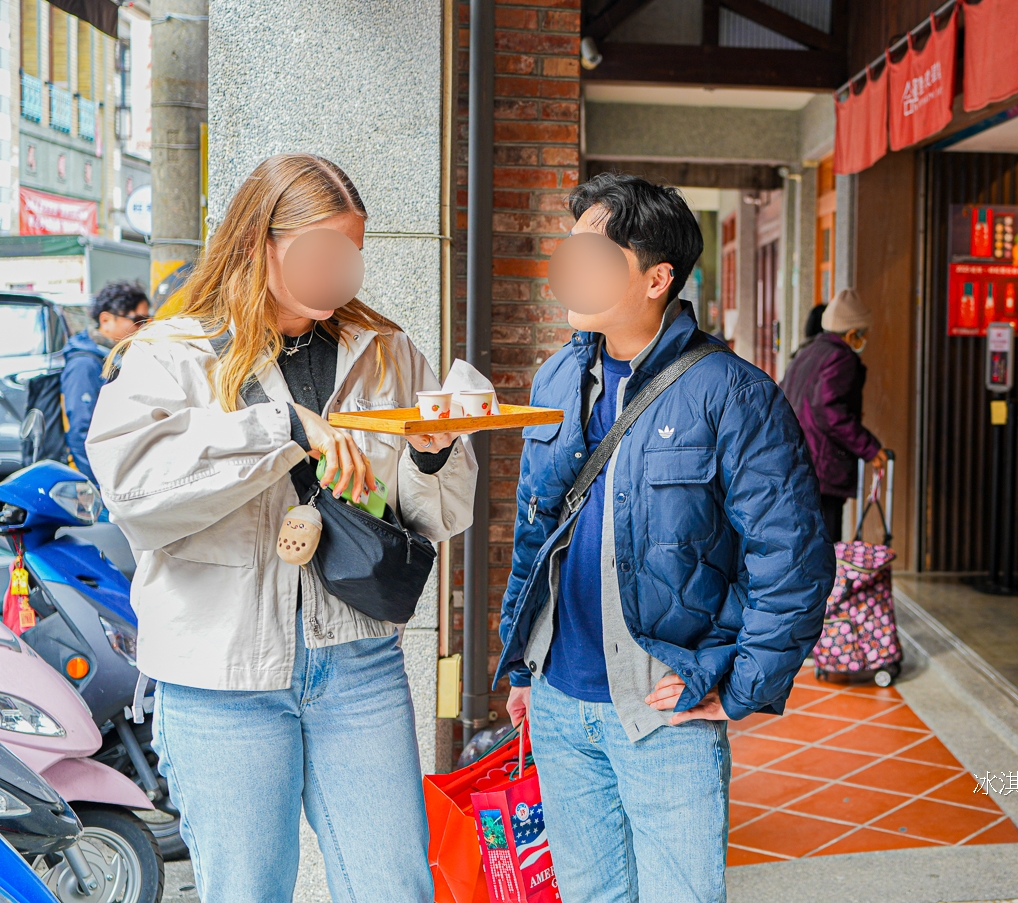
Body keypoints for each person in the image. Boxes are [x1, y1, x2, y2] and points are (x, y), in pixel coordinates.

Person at [86, 154, 479, 903]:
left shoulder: (386, 350)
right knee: (248, 891)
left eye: (350, 251)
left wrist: (433, 454)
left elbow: (437, 516)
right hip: (220, 677)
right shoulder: (174, 354)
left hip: (359, 662)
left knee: (396, 886)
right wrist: (279, 427)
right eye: (320, 250)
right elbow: (136, 495)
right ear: (259, 242)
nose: (340, 269)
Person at [499, 173, 832, 903]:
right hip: (558, 702)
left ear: (657, 277)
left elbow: (792, 557)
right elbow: (536, 529)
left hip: (663, 707)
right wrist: (524, 662)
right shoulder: (557, 376)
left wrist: (744, 681)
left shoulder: (733, 392)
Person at [780, 288, 888, 545]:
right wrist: (869, 448)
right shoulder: (841, 358)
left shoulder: (806, 353)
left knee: (804, 545)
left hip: (796, 459)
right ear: (853, 333)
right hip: (823, 466)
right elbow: (828, 409)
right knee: (824, 545)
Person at [61, 280, 148, 484]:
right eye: (138, 320)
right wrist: (101, 486)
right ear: (106, 320)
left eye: (147, 320)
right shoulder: (85, 364)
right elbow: (81, 432)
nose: (143, 328)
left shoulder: (115, 355)